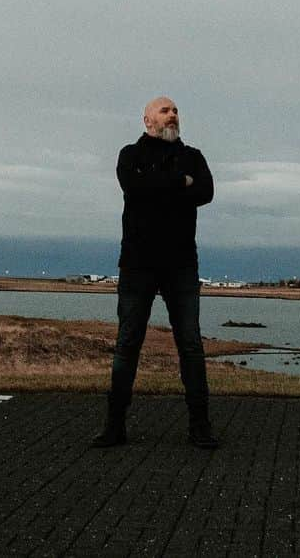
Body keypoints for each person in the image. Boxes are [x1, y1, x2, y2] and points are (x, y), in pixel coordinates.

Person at [91, 95, 218, 449]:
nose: (173, 115)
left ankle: (200, 426)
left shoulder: (193, 156)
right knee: (127, 343)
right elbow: (136, 186)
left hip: (181, 265)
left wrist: (164, 182)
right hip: (137, 264)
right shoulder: (130, 156)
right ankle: (114, 426)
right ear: (147, 120)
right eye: (165, 111)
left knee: (190, 344)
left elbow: (206, 191)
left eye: (176, 110)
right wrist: (181, 184)